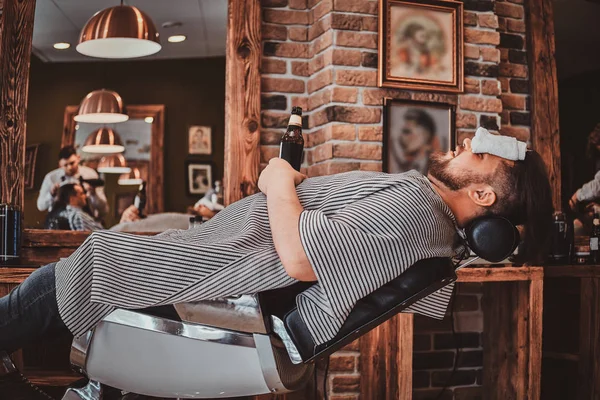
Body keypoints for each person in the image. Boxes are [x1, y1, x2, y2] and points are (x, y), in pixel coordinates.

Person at [0, 138, 552, 392]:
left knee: (73, 272)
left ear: (482, 197)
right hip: (233, 271)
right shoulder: (435, 231)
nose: (461, 144)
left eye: (477, 154)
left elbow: (300, 257)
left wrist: (279, 179)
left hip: (229, 284)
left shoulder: (416, 212)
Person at [37, 146, 108, 219]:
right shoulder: (51, 178)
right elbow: (40, 206)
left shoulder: (90, 175)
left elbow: (104, 210)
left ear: (78, 158)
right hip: (59, 221)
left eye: (72, 163)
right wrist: (51, 194)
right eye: (65, 165)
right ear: (60, 164)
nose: (69, 167)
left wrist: (93, 194)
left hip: (85, 220)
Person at [390, 108, 440, 175]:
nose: (401, 138)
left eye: (407, 132)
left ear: (425, 135)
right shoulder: (403, 165)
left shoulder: (435, 170)